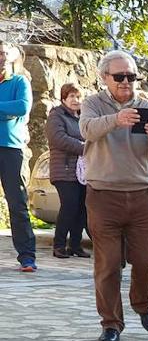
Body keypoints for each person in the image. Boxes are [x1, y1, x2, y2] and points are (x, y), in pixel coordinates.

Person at [80, 50, 148, 341]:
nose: (126, 82)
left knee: (145, 259)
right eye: (119, 76)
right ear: (105, 77)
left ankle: (143, 306)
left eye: (131, 76)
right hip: (104, 196)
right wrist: (116, 120)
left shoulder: (146, 104)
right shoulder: (93, 104)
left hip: (142, 195)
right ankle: (111, 324)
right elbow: (87, 130)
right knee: (108, 264)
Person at [0, 41, 35, 272]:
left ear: (10, 57)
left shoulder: (20, 81)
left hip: (10, 148)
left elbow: (22, 107)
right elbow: (11, 109)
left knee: (17, 203)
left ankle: (27, 256)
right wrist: (5, 111)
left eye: (3, 53)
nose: (0, 57)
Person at [46, 82, 89, 259]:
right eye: (72, 96)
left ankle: (76, 245)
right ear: (64, 98)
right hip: (63, 169)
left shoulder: (84, 118)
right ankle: (59, 245)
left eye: (78, 97)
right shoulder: (56, 116)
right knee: (69, 206)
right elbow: (58, 139)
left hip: (83, 171)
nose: (75, 100)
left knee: (82, 208)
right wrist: (85, 147)